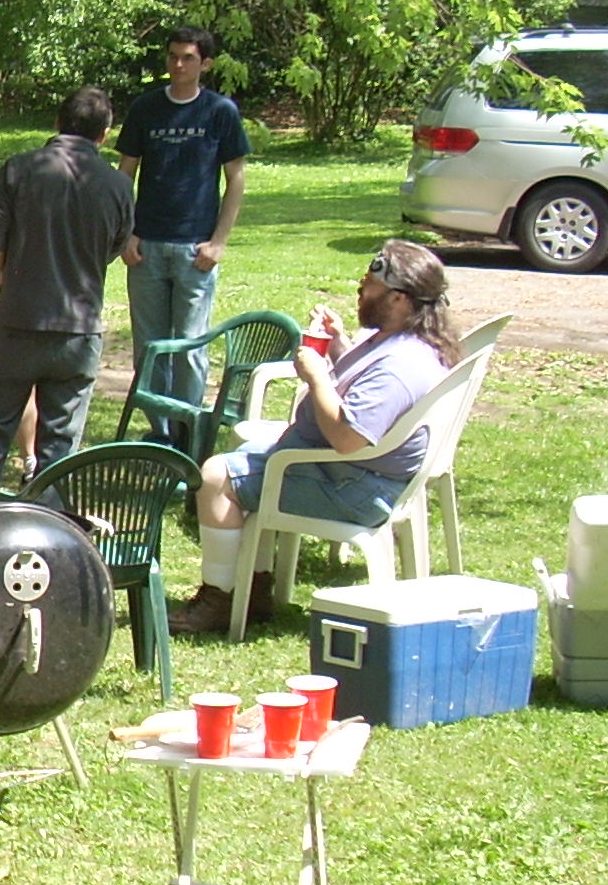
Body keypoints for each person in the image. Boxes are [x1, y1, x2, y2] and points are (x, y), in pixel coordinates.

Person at [169, 239, 460, 638]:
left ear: (399, 298)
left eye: (370, 283)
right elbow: (364, 393)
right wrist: (339, 345)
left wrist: (317, 377)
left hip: (353, 488)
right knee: (247, 452)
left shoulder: (400, 366)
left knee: (217, 477)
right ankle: (253, 591)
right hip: (354, 475)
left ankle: (220, 599)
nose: (361, 287)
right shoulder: (405, 340)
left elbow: (347, 438)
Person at [0, 89, 136, 497]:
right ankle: (48, 528)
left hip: (18, 323)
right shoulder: (118, 185)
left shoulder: (20, 169)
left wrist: (4, 272)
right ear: (105, 134)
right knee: (59, 452)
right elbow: (112, 249)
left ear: (58, 122)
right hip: (78, 330)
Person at [117, 27, 250, 451]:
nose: (178, 65)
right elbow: (125, 174)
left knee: (190, 348)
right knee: (151, 348)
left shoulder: (219, 112)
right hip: (147, 246)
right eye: (173, 56)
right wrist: (126, 234)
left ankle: (188, 433)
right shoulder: (145, 109)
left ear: (205, 64)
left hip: (196, 249)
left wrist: (219, 242)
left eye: (188, 58)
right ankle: (160, 434)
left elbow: (236, 179)